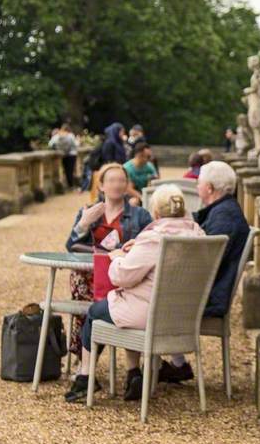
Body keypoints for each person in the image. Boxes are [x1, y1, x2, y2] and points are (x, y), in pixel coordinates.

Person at [65, 184, 205, 404]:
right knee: (122, 306)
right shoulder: (199, 236)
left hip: (149, 314)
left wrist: (118, 257)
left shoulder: (155, 239)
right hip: (184, 316)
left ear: (156, 213)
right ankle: (133, 374)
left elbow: (121, 277)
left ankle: (86, 376)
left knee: (94, 312)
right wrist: (137, 246)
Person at [161, 159, 249, 386]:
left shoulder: (224, 217)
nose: (197, 187)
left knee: (150, 294)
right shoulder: (224, 209)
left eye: (199, 183)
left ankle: (163, 366)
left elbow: (202, 264)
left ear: (209, 188)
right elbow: (198, 221)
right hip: (211, 288)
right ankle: (171, 365)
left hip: (209, 296)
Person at [65, 162, 153, 363]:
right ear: (101, 186)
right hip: (91, 275)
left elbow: (147, 250)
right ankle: (85, 362)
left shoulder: (140, 215)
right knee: (82, 285)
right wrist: (83, 224)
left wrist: (121, 252)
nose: (117, 185)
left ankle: (93, 365)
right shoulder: (88, 211)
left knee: (109, 299)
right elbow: (71, 246)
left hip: (124, 277)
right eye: (112, 180)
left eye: (122, 180)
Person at [48, 123, 79, 189]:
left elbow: (50, 144)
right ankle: (71, 185)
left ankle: (68, 184)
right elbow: (76, 144)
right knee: (70, 170)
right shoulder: (71, 135)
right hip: (72, 154)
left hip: (63, 154)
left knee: (65, 170)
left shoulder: (58, 135)